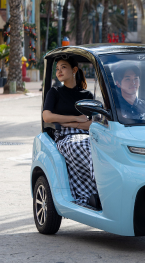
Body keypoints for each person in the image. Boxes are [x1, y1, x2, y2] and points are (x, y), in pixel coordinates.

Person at [42, 56, 98, 206]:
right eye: (57, 68)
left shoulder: (87, 95)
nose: (59, 71)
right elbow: (47, 116)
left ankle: (100, 190)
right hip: (65, 136)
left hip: (87, 134)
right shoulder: (54, 92)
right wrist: (76, 119)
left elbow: (93, 124)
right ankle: (94, 190)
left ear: (74, 70)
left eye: (63, 67)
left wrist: (76, 124)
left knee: (101, 148)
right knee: (83, 147)